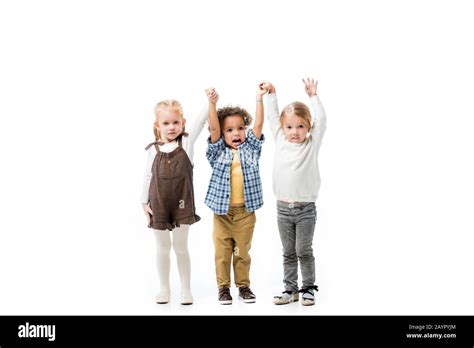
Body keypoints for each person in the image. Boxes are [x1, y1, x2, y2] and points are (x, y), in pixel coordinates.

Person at [140, 97, 214, 305]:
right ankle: (164, 288)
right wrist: (143, 202)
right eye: (166, 123)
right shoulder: (152, 150)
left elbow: (201, 121)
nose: (171, 127)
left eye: (175, 122)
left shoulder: (187, 143)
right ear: (157, 126)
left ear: (183, 123)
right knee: (162, 247)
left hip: (182, 202)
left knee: (181, 247)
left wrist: (209, 101)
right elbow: (148, 176)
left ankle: (186, 289)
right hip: (159, 203)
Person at [266, 78, 327, 306]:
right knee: (288, 252)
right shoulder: (280, 139)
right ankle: (290, 289)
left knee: (303, 250)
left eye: (300, 126)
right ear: (283, 129)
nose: (294, 131)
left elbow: (322, 120)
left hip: (305, 210)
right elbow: (273, 117)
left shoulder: (311, 144)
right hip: (282, 208)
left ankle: (308, 288)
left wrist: (313, 96)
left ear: (308, 128)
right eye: (290, 127)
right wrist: (272, 94)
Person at [204, 84, 267, 304]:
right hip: (222, 213)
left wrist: (259, 98)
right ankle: (223, 288)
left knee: (241, 252)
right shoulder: (217, 150)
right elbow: (213, 129)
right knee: (222, 253)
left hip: (244, 214)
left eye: (240, 128)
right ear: (223, 133)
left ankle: (244, 286)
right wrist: (212, 103)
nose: (236, 133)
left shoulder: (251, 148)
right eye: (229, 130)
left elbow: (258, 124)